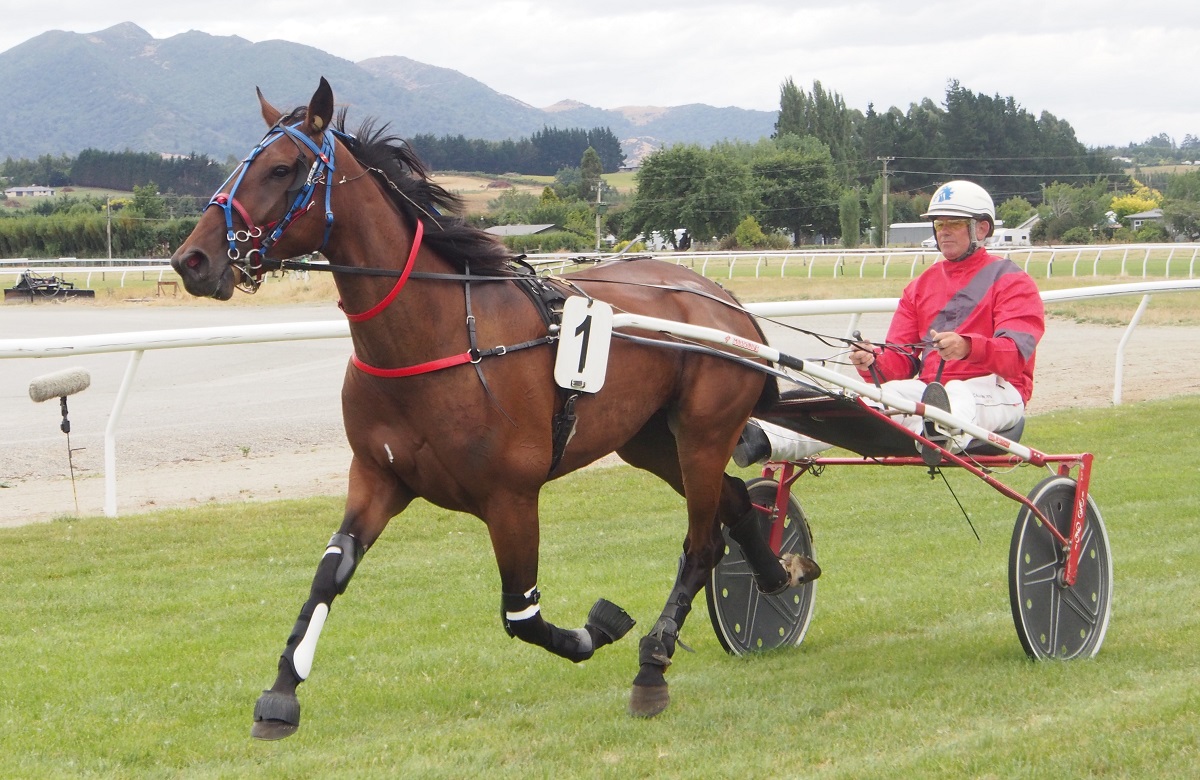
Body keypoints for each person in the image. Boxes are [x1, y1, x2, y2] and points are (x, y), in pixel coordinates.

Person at [734, 179, 1045, 466]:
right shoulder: (920, 287)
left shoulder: (1014, 281)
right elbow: (899, 364)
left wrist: (967, 347)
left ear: (982, 228)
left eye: (954, 223)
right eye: (939, 224)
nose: (944, 232)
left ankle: (938, 434)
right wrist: (873, 360)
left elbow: (1015, 356)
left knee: (954, 396)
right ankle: (764, 438)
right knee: (871, 397)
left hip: (999, 392)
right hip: (929, 394)